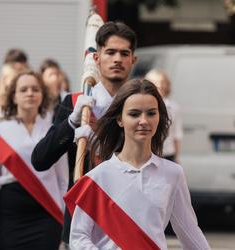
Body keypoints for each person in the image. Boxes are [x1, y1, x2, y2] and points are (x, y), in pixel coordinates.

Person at [64, 79, 210, 250]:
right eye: (134, 114)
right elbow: (78, 238)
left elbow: (190, 233)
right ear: (120, 119)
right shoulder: (97, 177)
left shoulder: (173, 174)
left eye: (151, 113)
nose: (144, 121)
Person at [31, 21, 137, 245]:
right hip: (81, 224)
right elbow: (40, 159)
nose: (117, 58)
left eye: (124, 53)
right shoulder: (74, 102)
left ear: (133, 60)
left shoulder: (142, 104)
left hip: (128, 222)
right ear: (96, 58)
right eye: (110, 52)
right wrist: (70, 123)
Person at [0, 70, 68, 250]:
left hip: (47, 214)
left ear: (42, 95)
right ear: (13, 97)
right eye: (24, 89)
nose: (30, 93)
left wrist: (64, 224)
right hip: (10, 215)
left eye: (35, 89)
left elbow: (63, 180)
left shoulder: (53, 131)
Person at [145, 69, 183, 162]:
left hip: (167, 154)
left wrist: (177, 158)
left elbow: (177, 134)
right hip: (147, 154)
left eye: (162, 82)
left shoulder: (173, 107)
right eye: (155, 82)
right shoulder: (141, 105)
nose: (160, 85)